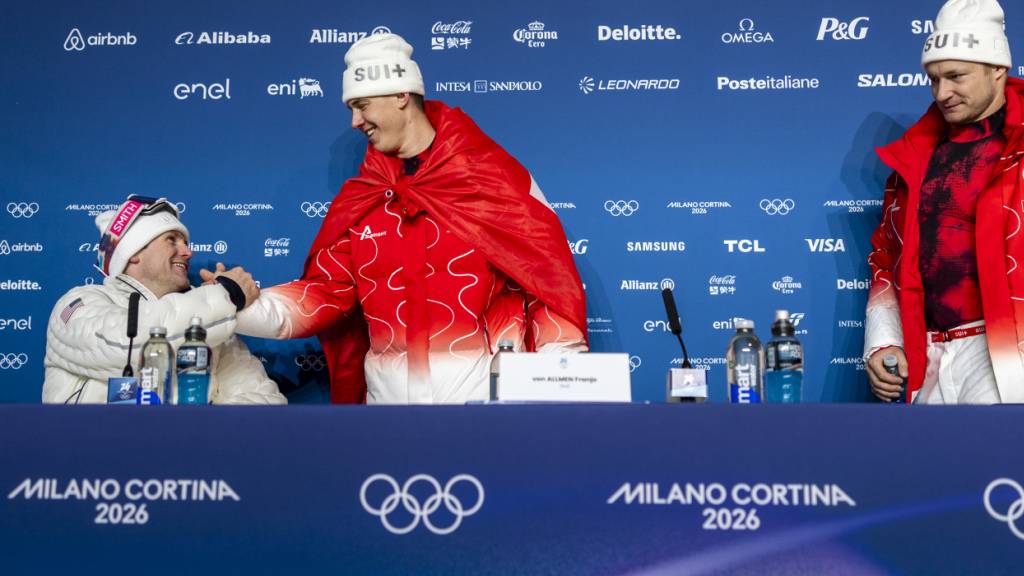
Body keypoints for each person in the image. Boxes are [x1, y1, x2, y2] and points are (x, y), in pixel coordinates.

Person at [235, 33, 587, 404]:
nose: (355, 121)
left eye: (361, 104)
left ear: (401, 95)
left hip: (487, 417)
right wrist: (235, 306)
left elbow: (548, 285)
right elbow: (324, 294)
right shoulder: (363, 197)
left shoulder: (493, 180)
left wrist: (562, 384)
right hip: (386, 420)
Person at [864, 0, 1023, 404]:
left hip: (1004, 351)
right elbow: (886, 257)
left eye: (956, 76)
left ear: (998, 70)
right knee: (927, 467)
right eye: (933, 79)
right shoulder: (911, 161)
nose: (942, 93)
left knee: (998, 465)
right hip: (929, 356)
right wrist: (883, 341)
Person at [43, 196, 287, 405]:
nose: (188, 252)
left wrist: (193, 435)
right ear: (134, 253)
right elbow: (130, 346)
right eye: (172, 240)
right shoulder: (78, 303)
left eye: (186, 243)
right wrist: (227, 294)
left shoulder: (209, 326)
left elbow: (264, 400)